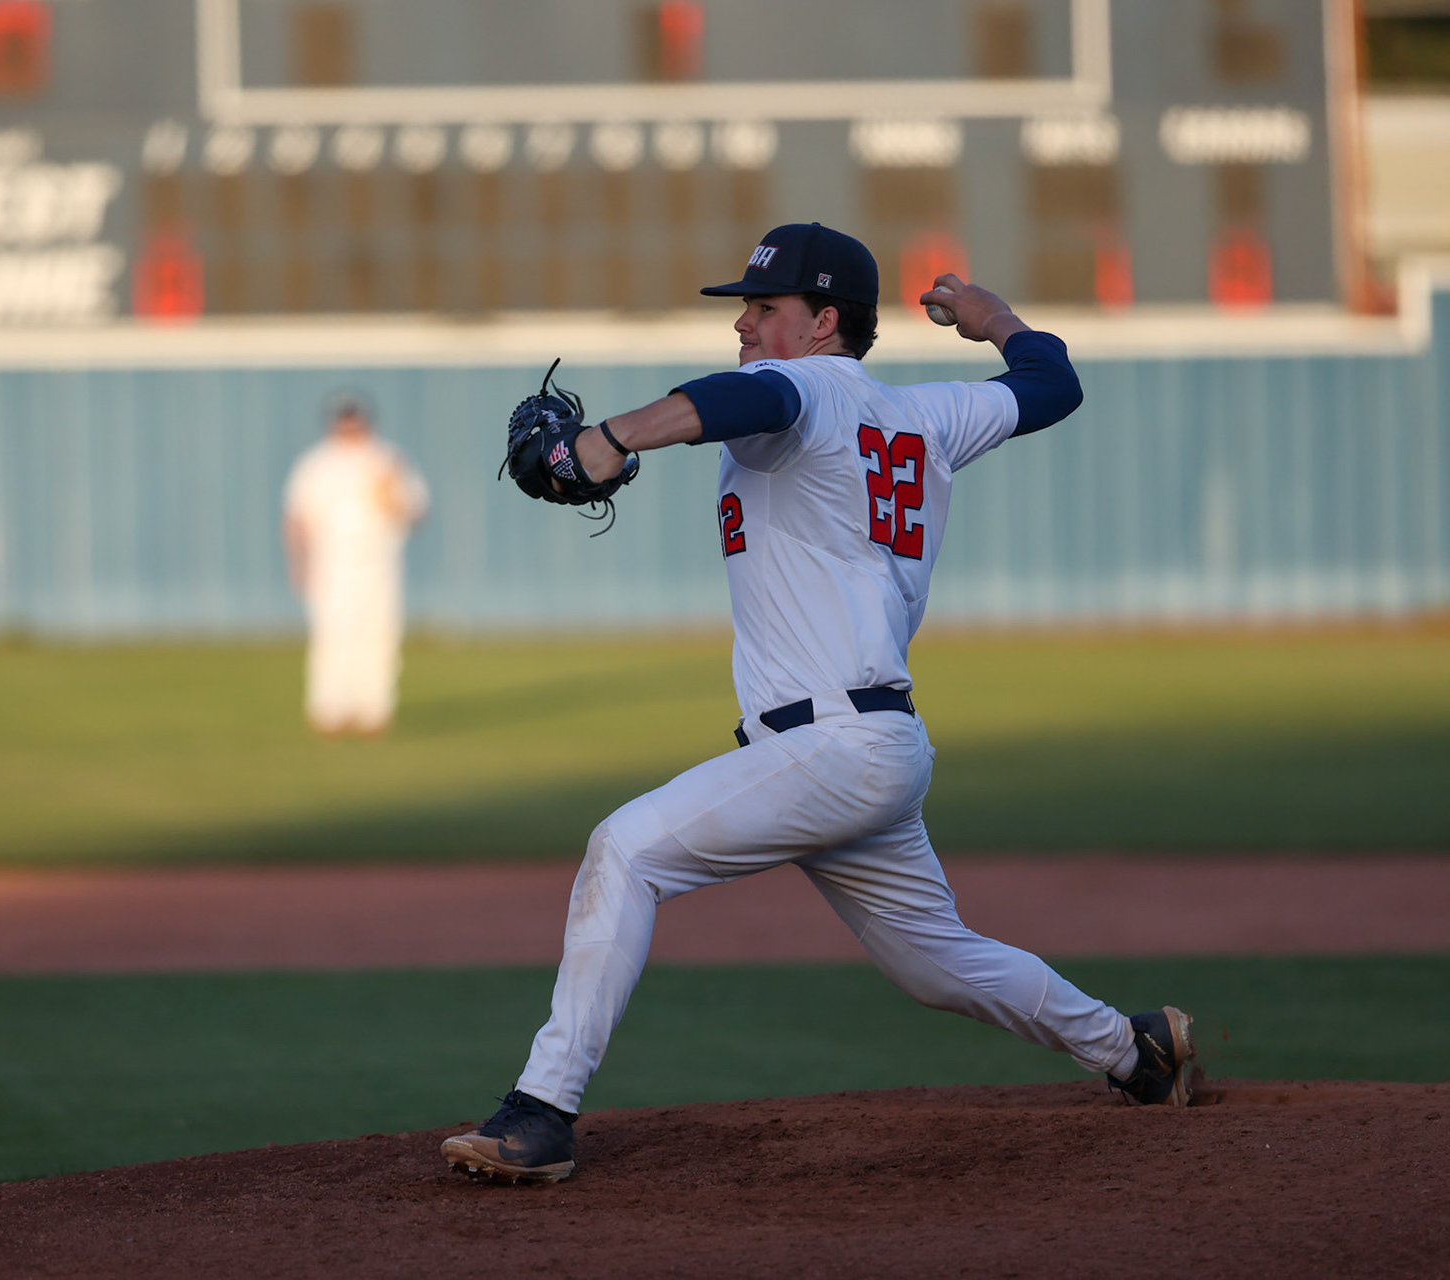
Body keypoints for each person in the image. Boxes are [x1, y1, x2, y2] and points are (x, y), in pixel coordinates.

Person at [441, 222, 1198, 1185]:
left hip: (830, 747)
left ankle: (539, 1113)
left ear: (824, 320)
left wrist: (604, 441)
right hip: (873, 744)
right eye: (744, 309)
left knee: (623, 851)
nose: (746, 325)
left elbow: (741, 397)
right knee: (937, 966)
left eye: (766, 307)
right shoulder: (928, 415)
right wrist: (990, 316)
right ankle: (1138, 1052)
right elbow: (1052, 384)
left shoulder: (800, 388)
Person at [282, 397, 430, 737]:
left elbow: (416, 509)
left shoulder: (388, 460)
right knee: (333, 635)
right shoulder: (316, 464)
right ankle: (330, 710)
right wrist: (299, 564)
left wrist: (394, 501)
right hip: (331, 565)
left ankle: (374, 710)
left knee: (379, 634)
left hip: (380, 564)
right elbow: (296, 518)